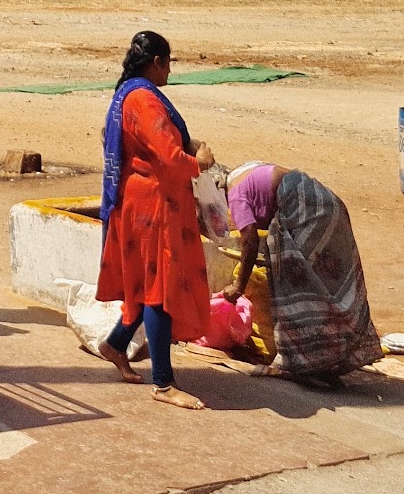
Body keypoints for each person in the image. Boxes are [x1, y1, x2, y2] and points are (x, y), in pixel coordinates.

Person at [94, 30, 215, 409]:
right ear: (157, 62)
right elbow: (170, 157)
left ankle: (115, 344)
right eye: (168, 63)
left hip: (140, 201)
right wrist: (202, 163)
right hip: (153, 205)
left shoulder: (127, 93)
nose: (169, 72)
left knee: (147, 284)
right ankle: (163, 383)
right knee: (159, 289)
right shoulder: (144, 100)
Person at [223, 162, 381, 385]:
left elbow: (249, 239)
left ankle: (309, 361)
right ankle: (330, 360)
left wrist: (239, 285)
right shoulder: (243, 173)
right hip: (327, 203)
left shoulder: (235, 194)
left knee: (303, 287)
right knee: (329, 287)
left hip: (309, 212)